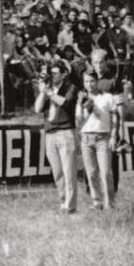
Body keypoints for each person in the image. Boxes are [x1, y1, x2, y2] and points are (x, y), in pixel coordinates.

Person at [34, 60, 81, 212]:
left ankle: (71, 206)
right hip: (50, 133)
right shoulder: (48, 89)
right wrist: (43, 91)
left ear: (64, 74)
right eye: (51, 73)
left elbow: (65, 103)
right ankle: (63, 202)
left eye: (55, 73)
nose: (52, 76)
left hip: (65, 131)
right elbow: (37, 108)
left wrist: (49, 93)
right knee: (57, 173)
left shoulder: (71, 88)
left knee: (69, 172)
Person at [77, 72, 124, 210]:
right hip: (86, 137)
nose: (89, 84)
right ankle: (96, 202)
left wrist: (114, 136)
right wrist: (84, 106)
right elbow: (79, 120)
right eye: (86, 82)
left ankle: (110, 203)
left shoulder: (107, 97)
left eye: (91, 81)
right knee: (91, 173)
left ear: (97, 81)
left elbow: (115, 117)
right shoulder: (81, 98)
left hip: (103, 137)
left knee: (105, 172)